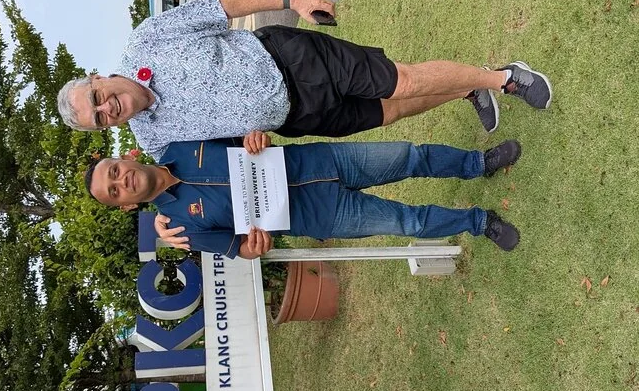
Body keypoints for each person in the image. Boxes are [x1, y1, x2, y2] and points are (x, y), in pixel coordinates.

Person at [57, 0, 553, 161]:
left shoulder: (148, 39)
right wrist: (247, 145)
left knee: (398, 81)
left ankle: (506, 78)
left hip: (289, 58)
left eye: (97, 97)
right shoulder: (154, 141)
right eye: (99, 118)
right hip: (294, 118)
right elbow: (201, 170)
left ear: (99, 78)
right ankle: (467, 87)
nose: (107, 108)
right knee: (391, 111)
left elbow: (223, 6)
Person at [85, 131, 522, 259]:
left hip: (320, 160)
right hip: (324, 215)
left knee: (410, 156)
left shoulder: (181, 144)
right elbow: (241, 249)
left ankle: (477, 163)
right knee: (408, 222)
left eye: (114, 172)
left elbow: (241, 133)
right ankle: (480, 222)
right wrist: (256, 247)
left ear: (125, 157)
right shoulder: (181, 228)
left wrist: (254, 136)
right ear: (126, 205)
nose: (122, 181)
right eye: (114, 191)